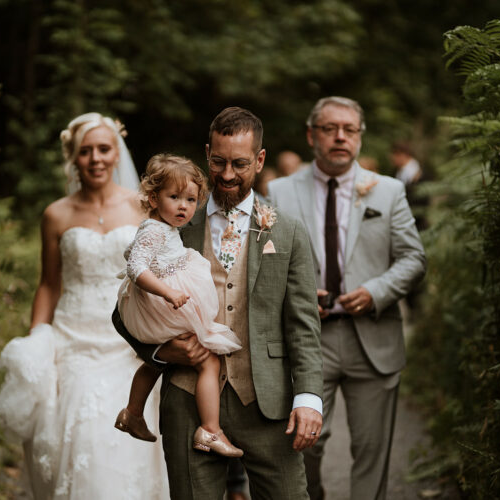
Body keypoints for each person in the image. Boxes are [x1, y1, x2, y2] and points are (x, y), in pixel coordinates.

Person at [112, 106, 323, 499]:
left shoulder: (289, 231)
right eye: (219, 162)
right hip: (187, 400)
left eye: (240, 164)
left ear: (260, 160)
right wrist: (161, 350)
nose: (227, 174)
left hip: (267, 404)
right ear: (207, 153)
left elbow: (304, 326)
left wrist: (309, 398)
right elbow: (123, 310)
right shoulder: (171, 221)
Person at [0, 112, 170, 499]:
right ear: (73, 158)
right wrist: (38, 336)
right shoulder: (56, 215)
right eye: (85, 151)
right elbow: (49, 284)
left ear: (116, 152)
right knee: (83, 434)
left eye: (104, 149)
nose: (96, 159)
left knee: (129, 442)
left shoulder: (143, 207)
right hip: (73, 343)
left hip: (128, 342)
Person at [267, 97, 426, 500]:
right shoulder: (279, 191)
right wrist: (297, 294)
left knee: (371, 450)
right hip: (307, 339)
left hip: (373, 337)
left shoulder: (388, 191)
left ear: (359, 136)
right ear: (311, 135)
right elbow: (263, 262)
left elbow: (413, 259)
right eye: (329, 128)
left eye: (349, 129)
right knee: (306, 444)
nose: (340, 136)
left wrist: (376, 292)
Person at [114, 153, 243, 458]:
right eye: (174, 197)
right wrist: (168, 293)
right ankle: (210, 430)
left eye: (190, 199)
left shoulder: (161, 228)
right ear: (153, 198)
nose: (183, 206)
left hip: (165, 301)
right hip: (164, 302)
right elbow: (136, 267)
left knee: (158, 361)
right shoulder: (154, 230)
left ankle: (132, 413)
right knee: (208, 360)